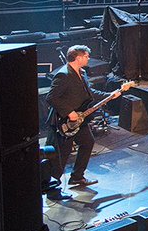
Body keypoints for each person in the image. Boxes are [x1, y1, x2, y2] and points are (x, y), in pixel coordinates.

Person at [44, 44, 127, 196]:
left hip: (79, 120)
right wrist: (69, 112)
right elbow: (51, 98)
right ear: (78, 57)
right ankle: (52, 189)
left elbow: (89, 93)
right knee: (62, 154)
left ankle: (77, 177)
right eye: (86, 56)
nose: (89, 58)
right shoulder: (64, 74)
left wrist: (109, 95)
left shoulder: (81, 73)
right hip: (64, 122)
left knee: (88, 142)